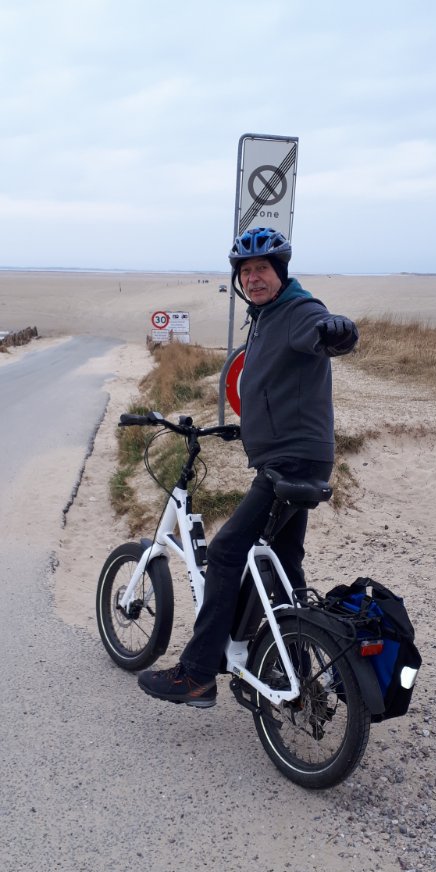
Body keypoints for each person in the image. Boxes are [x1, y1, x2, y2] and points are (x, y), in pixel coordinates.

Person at [138, 227, 358, 707]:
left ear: (281, 272)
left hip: (290, 460)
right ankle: (297, 668)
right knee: (284, 559)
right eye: (246, 271)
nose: (254, 278)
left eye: (263, 269)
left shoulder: (299, 311)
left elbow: (328, 332)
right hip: (296, 455)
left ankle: (197, 674)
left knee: (225, 552)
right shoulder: (265, 318)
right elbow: (273, 383)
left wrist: (339, 331)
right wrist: (248, 427)